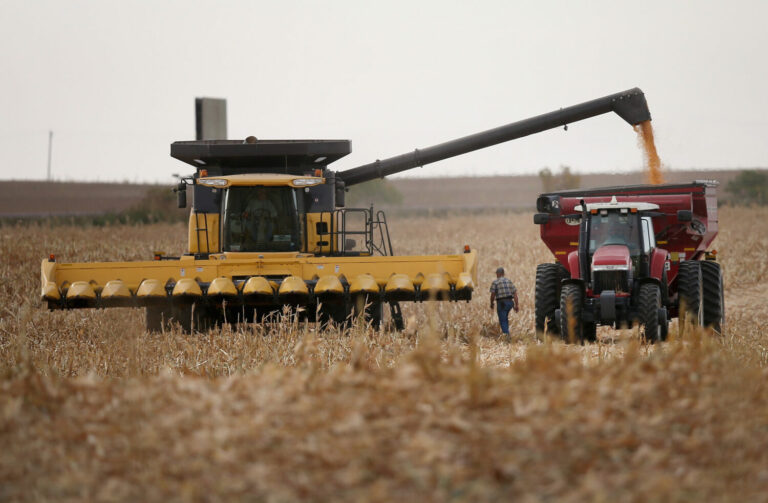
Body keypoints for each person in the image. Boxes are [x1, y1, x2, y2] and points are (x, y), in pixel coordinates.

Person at [490, 266, 519, 337]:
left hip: (502, 303)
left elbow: (493, 295)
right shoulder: (509, 281)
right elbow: (515, 294)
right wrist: (516, 305)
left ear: (498, 273)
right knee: (505, 318)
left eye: (496, 273)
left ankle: (507, 336)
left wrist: (491, 303)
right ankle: (506, 332)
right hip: (510, 302)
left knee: (503, 320)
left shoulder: (495, 282)